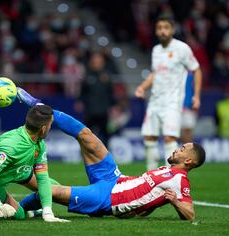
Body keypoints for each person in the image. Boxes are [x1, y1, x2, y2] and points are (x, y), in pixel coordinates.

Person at [16, 88, 206, 221]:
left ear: (189, 161)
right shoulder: (168, 170)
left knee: (54, 191)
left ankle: (17, 208)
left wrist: (174, 201)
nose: (176, 149)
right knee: (87, 136)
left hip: (108, 199)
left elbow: (190, 214)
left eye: (182, 149)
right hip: (115, 178)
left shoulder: (180, 180)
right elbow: (151, 199)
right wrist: (141, 209)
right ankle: (39, 106)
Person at [0, 105, 69, 222]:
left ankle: (36, 211)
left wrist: (48, 213)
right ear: (43, 129)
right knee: (18, 215)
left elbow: (42, 179)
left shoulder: (39, 144)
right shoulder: (11, 147)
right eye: (51, 124)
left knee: (54, 187)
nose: (50, 127)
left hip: (16, 168)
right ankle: (29, 212)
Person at [135, 15, 202, 170]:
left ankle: (169, 177)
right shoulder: (156, 50)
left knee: (169, 138)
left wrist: (196, 95)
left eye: (166, 27)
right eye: (159, 28)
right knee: (149, 137)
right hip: (155, 101)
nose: (162, 31)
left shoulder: (182, 48)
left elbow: (196, 69)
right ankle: (150, 175)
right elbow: (155, 73)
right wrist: (142, 87)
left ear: (172, 30)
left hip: (172, 102)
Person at [181, 72, 197, 143]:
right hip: (177, 107)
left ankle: (187, 151)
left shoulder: (192, 75)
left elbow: (193, 90)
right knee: (176, 132)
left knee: (189, 131)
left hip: (189, 107)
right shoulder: (174, 72)